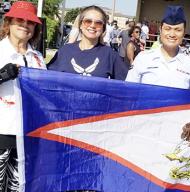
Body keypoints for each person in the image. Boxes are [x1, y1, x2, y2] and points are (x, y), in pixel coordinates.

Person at [0, 1, 46, 191]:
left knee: (19, 186)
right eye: (19, 20)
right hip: (2, 131)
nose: (25, 25)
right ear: (8, 22)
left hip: (29, 133)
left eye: (30, 22)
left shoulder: (37, 57)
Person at [126, 5, 190, 91]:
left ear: (184, 33)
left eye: (178, 30)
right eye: (167, 29)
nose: (172, 34)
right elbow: (128, 91)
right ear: (160, 30)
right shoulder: (143, 58)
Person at [48, 5, 128, 80]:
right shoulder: (65, 51)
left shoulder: (110, 55)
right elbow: (47, 80)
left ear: (103, 28)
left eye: (98, 23)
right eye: (88, 21)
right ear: (80, 25)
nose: (92, 25)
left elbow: (126, 87)